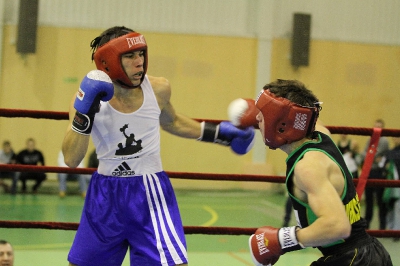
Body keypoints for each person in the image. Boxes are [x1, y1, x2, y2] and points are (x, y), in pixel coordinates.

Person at [62, 26, 255, 266]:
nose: (139, 62)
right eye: (130, 56)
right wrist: (85, 113)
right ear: (109, 61)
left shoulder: (158, 88)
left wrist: (221, 135)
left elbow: (172, 121)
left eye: (141, 53)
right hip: (104, 196)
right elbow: (71, 159)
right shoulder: (85, 98)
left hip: (149, 191)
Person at [248, 79, 392, 266]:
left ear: (282, 124)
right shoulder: (319, 135)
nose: (257, 118)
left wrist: (282, 240)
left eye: (264, 114)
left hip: (351, 260)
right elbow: (307, 113)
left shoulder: (307, 167)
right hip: (369, 252)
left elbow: (337, 226)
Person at [361, 119, 390, 229]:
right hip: (369, 171)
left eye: (379, 127)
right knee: (368, 199)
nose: (377, 129)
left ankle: (382, 226)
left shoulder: (384, 140)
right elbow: (365, 153)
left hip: (379, 171)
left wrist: (369, 155)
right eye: (375, 126)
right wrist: (370, 155)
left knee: (380, 199)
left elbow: (372, 153)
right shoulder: (371, 139)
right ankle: (367, 224)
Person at [381, 137, 400, 240]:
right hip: (391, 184)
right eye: (395, 137)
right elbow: (384, 165)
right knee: (392, 207)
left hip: (398, 183)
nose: (396, 139)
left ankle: (396, 231)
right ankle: (393, 229)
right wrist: (386, 167)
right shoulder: (390, 152)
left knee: (398, 207)